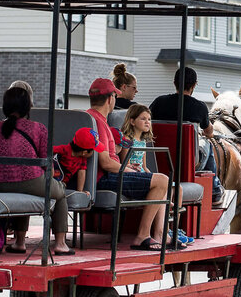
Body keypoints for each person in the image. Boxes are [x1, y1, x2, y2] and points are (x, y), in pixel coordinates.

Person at [84, 77, 176, 250]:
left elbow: (110, 154)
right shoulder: (98, 123)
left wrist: (122, 156)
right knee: (162, 180)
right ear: (111, 99)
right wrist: (128, 170)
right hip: (105, 177)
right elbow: (106, 163)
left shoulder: (91, 118)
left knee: (161, 182)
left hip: (106, 174)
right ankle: (142, 235)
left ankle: (159, 234)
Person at [0, 85, 72, 255]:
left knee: (25, 193)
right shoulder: (38, 128)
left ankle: (19, 242)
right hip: (29, 179)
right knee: (60, 192)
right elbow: (44, 160)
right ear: (28, 107)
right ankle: (61, 244)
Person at [149, 67, 226, 207]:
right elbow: (208, 132)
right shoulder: (199, 107)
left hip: (157, 156)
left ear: (174, 83)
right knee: (208, 143)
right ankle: (215, 189)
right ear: (194, 85)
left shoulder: (159, 102)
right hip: (186, 159)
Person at [120, 104, 154, 171]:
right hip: (132, 173)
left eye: (149, 119)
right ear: (132, 121)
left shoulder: (143, 141)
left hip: (142, 172)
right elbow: (126, 165)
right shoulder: (127, 140)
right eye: (143, 119)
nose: (147, 122)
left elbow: (144, 167)